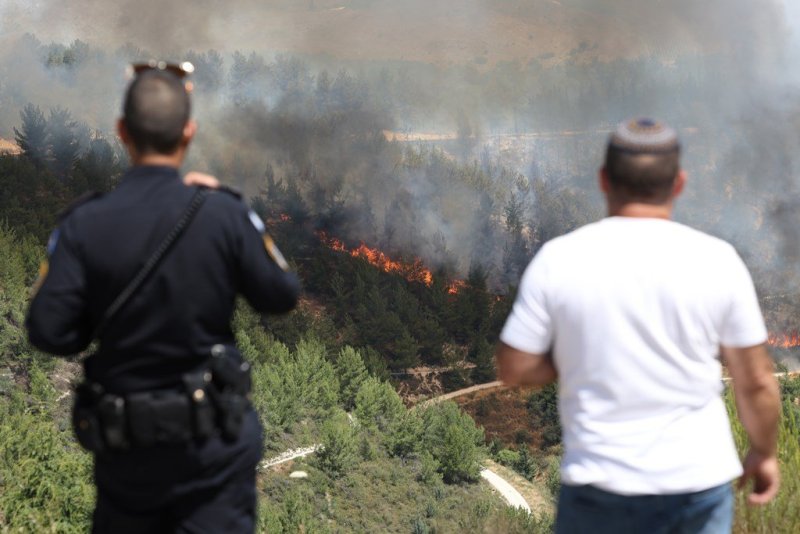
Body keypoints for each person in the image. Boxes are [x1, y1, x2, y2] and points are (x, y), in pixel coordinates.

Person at [26, 63, 300, 533]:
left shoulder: (84, 225)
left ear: (121, 132)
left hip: (130, 459)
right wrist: (240, 211)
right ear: (188, 134)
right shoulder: (222, 214)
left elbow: (49, 331)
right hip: (212, 453)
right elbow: (281, 294)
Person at [495, 118, 781, 533]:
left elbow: (513, 367)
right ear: (678, 183)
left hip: (599, 486)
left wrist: (573, 360)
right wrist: (764, 452)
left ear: (604, 180)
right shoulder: (717, 261)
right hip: (697, 485)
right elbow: (755, 381)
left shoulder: (560, 259)